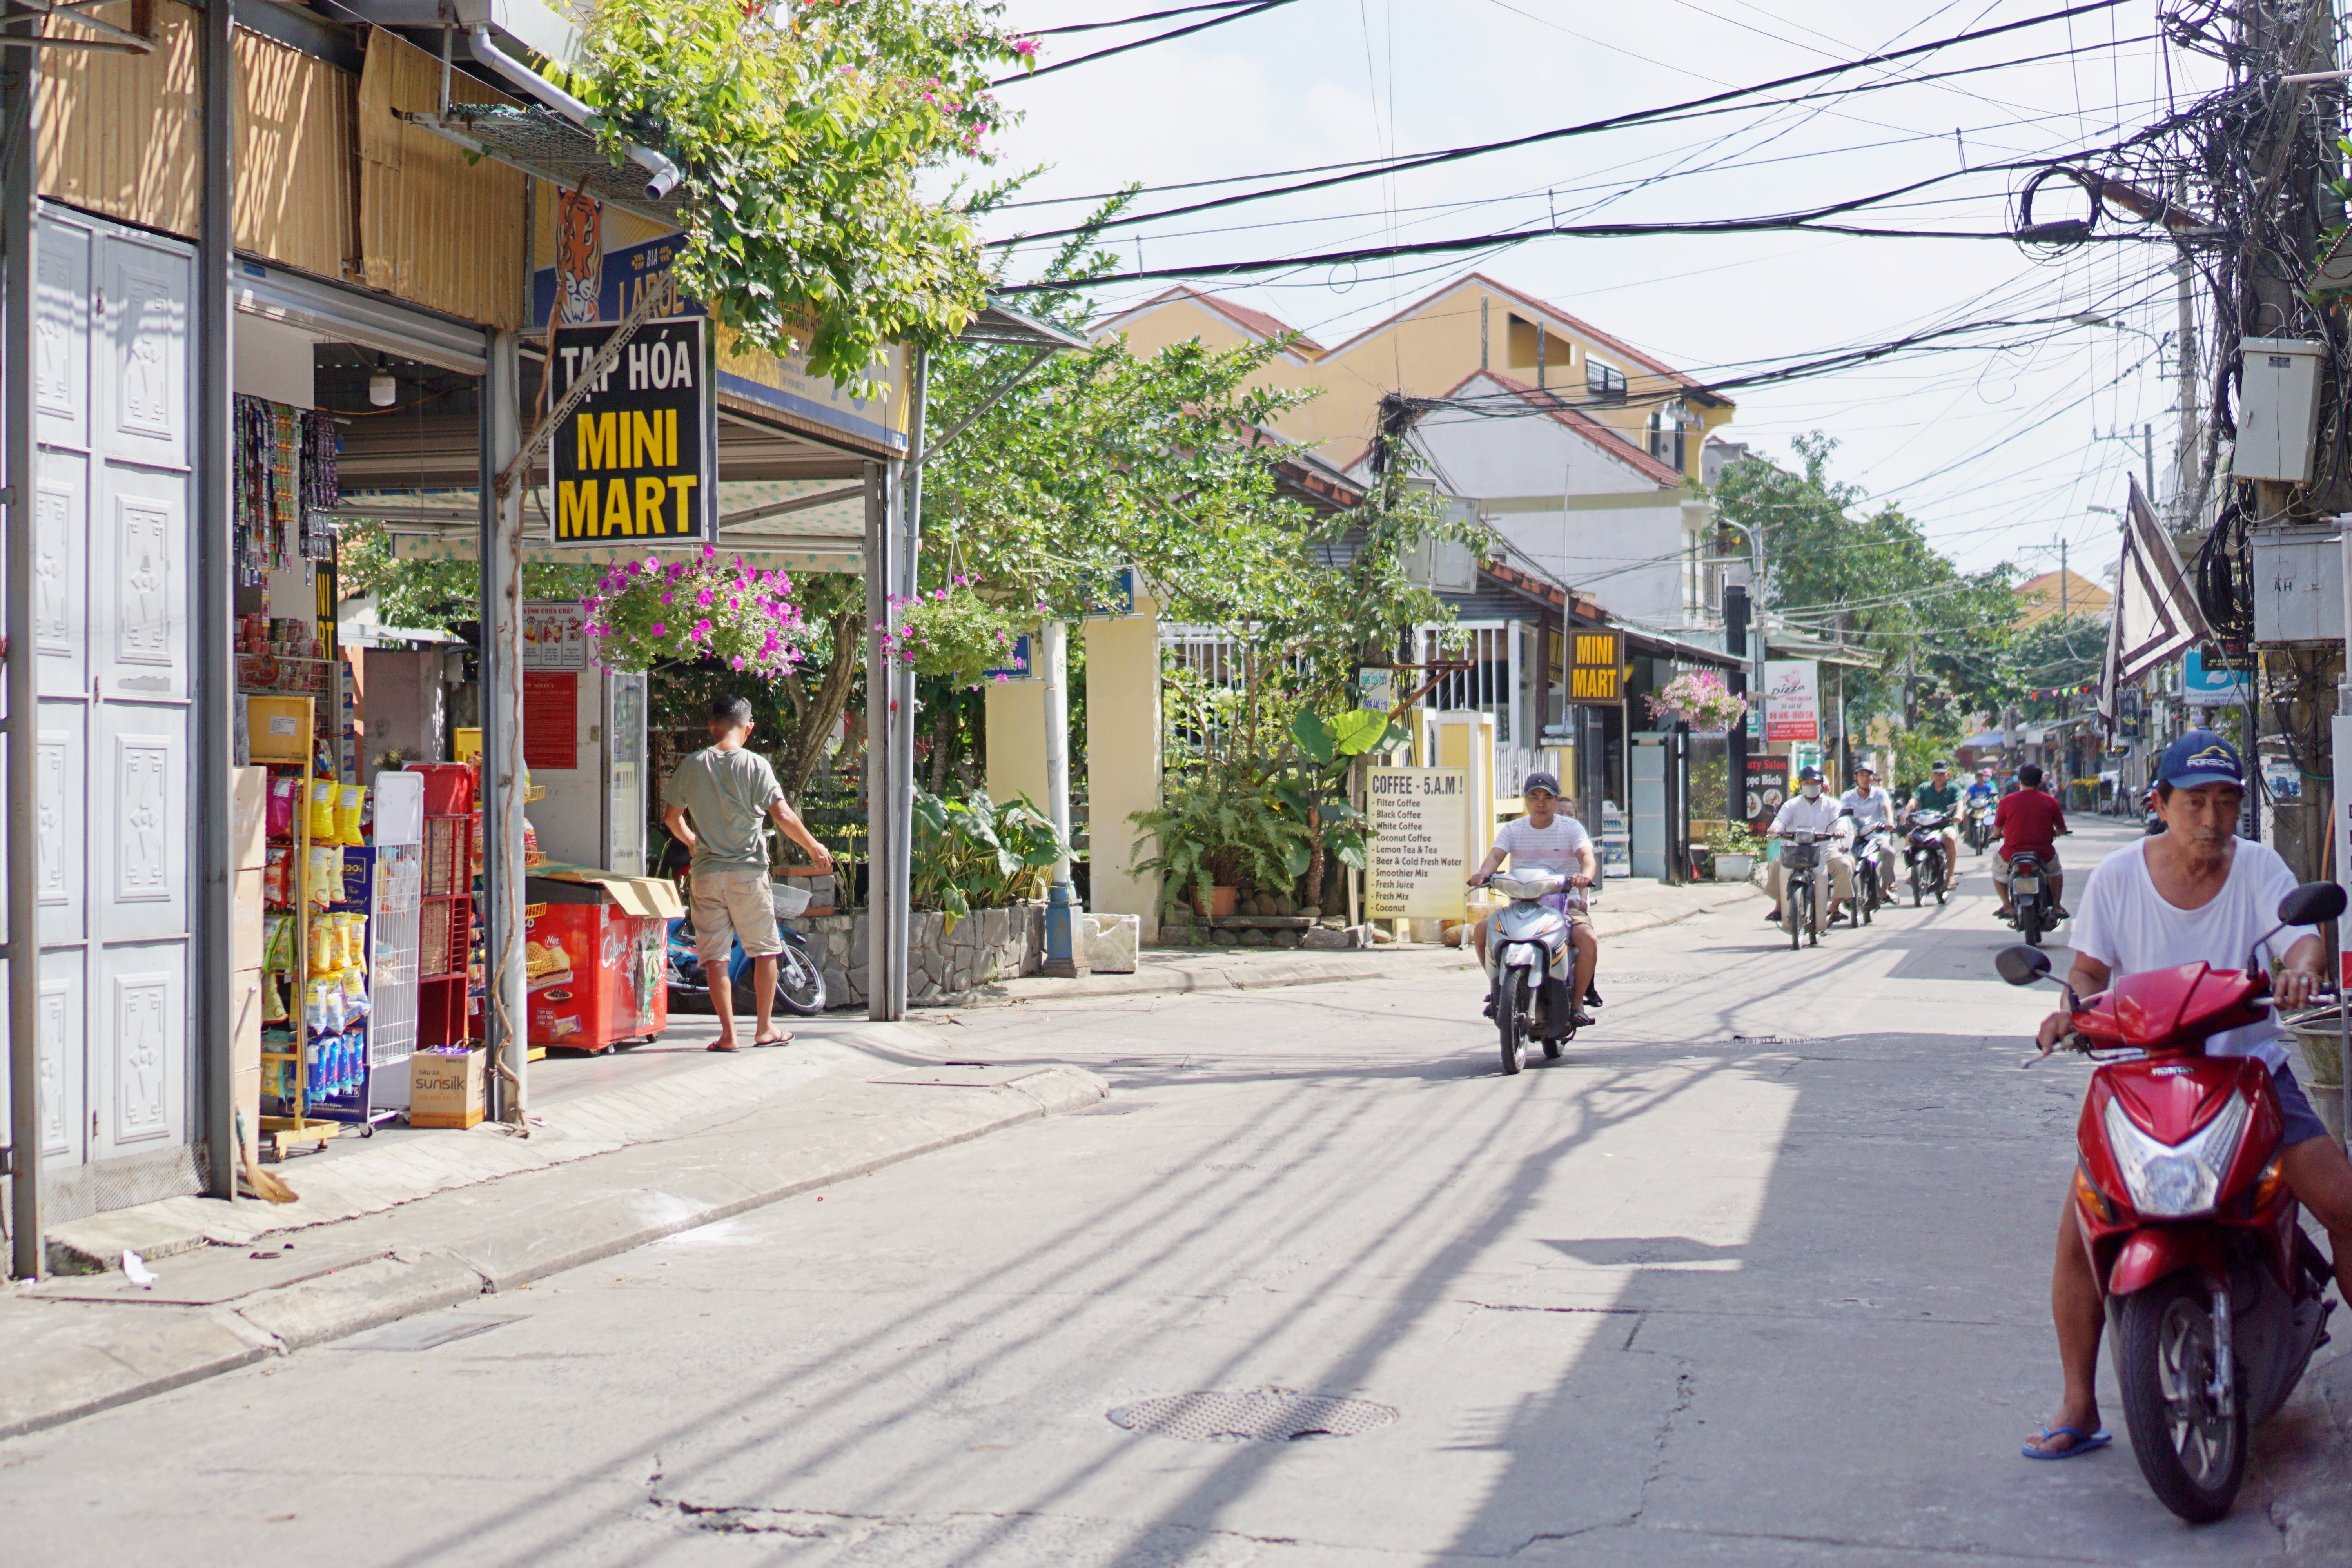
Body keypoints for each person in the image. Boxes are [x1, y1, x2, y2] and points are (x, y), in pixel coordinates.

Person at [2021, 730, 2352, 1459]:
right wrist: (2071, 1013)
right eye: (2195, 802)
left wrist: (2299, 968)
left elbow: (2301, 941)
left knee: (2343, 1204)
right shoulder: (2115, 878)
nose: (2211, 819)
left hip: (2250, 1072)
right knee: (2082, 1233)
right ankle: (2079, 1403)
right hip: (2139, 1080)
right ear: (2160, 803)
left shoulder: (2260, 868)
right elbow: (2087, 973)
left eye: (2226, 803)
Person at [662, 695, 834, 1052]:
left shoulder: (693, 765)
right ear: (749, 728)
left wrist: (694, 842)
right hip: (748, 875)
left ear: (712, 726)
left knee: (715, 957)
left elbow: (671, 818)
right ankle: (765, 1029)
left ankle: (728, 1036)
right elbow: (783, 816)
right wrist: (814, 847)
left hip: (707, 876)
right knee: (766, 951)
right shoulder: (756, 766)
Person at [1468, 772, 1599, 1028]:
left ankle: (1577, 1004)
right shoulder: (1514, 829)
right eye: (1534, 797)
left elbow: (1587, 858)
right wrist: (1484, 874)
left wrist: (1585, 877)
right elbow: (1495, 857)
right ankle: (1498, 987)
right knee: (1483, 931)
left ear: (1555, 800)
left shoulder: (1571, 828)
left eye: (1547, 798)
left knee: (1589, 939)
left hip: (1566, 903)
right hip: (1522, 905)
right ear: (1526, 801)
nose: (1541, 803)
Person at [1763, 764, 1854, 929]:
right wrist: (1775, 828)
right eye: (1806, 782)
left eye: (1814, 782)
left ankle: (1835, 908)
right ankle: (1779, 907)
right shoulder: (1792, 805)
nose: (1810, 786)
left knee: (1845, 865)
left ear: (1821, 784)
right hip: (1795, 852)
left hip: (1825, 852)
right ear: (1801, 784)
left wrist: (1840, 830)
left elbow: (1840, 820)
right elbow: (1781, 819)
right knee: (1777, 864)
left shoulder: (1833, 805)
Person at [1992, 762, 2069, 922]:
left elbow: (1997, 829)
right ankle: (2056, 906)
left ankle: (2007, 906)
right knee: (2055, 873)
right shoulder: (2050, 801)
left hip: (2011, 853)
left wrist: (1996, 836)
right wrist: (2059, 833)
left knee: (1998, 874)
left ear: (2019, 781)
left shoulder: (2006, 801)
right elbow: (2061, 828)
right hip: (2043, 853)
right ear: (2041, 782)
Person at [1839, 762, 1898, 910]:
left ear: (1873, 778)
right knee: (1841, 860)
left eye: (1868, 775)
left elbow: (1887, 809)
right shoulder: (1848, 796)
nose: (1865, 779)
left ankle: (1885, 890)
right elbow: (1840, 815)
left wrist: (1889, 822)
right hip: (1855, 837)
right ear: (1856, 777)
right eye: (1862, 775)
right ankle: (1843, 896)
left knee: (1889, 852)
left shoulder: (1880, 793)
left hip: (1877, 835)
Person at [1905, 760, 1964, 891]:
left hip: (1946, 825)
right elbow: (1914, 801)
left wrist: (1959, 815)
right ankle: (1913, 872)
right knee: (1909, 837)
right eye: (1936, 774)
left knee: (1949, 837)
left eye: (1942, 774)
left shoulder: (1954, 788)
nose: (1939, 776)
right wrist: (1906, 812)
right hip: (1926, 825)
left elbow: (1960, 804)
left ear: (1948, 775)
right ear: (1932, 775)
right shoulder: (1924, 787)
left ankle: (1950, 876)